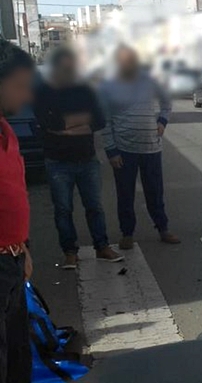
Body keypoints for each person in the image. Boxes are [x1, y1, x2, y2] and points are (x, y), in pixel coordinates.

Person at [34, 47, 123, 270]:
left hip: (87, 159)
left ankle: (102, 247)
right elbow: (50, 125)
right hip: (57, 162)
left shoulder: (85, 90)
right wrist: (79, 123)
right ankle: (70, 253)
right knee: (63, 209)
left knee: (95, 206)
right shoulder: (43, 92)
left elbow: (99, 121)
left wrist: (66, 126)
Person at [100, 45, 178, 249]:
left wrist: (162, 120)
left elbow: (167, 102)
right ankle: (127, 233)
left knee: (155, 192)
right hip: (124, 150)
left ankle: (163, 228)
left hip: (151, 148)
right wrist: (111, 150)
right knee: (125, 194)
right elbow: (105, 120)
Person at [0, 42, 35, 383]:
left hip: (10, 262)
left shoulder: (6, 129)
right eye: (20, 85)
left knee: (17, 362)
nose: (27, 96)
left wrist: (21, 249)